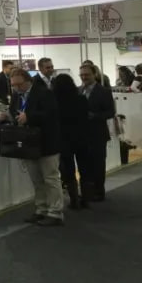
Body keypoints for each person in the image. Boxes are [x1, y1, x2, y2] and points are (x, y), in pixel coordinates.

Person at [8, 68, 63, 226]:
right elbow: (14, 111)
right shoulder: (16, 96)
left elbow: (52, 114)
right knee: (37, 180)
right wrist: (10, 116)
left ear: (28, 81)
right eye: (13, 85)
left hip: (47, 142)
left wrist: (29, 116)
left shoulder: (44, 93)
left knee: (51, 179)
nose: (17, 88)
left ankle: (55, 212)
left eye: (19, 84)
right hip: (29, 143)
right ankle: (41, 209)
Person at [53, 74, 91, 209]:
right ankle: (86, 199)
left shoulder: (55, 102)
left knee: (68, 172)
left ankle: (74, 200)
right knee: (84, 170)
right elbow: (87, 117)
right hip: (82, 138)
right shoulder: (81, 99)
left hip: (64, 140)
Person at [78, 63, 115, 202]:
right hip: (81, 135)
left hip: (97, 134)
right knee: (83, 165)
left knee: (98, 164)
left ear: (94, 74)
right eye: (82, 75)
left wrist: (95, 116)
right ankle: (86, 191)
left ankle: (99, 192)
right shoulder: (78, 90)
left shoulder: (104, 91)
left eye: (87, 75)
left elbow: (111, 112)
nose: (84, 77)